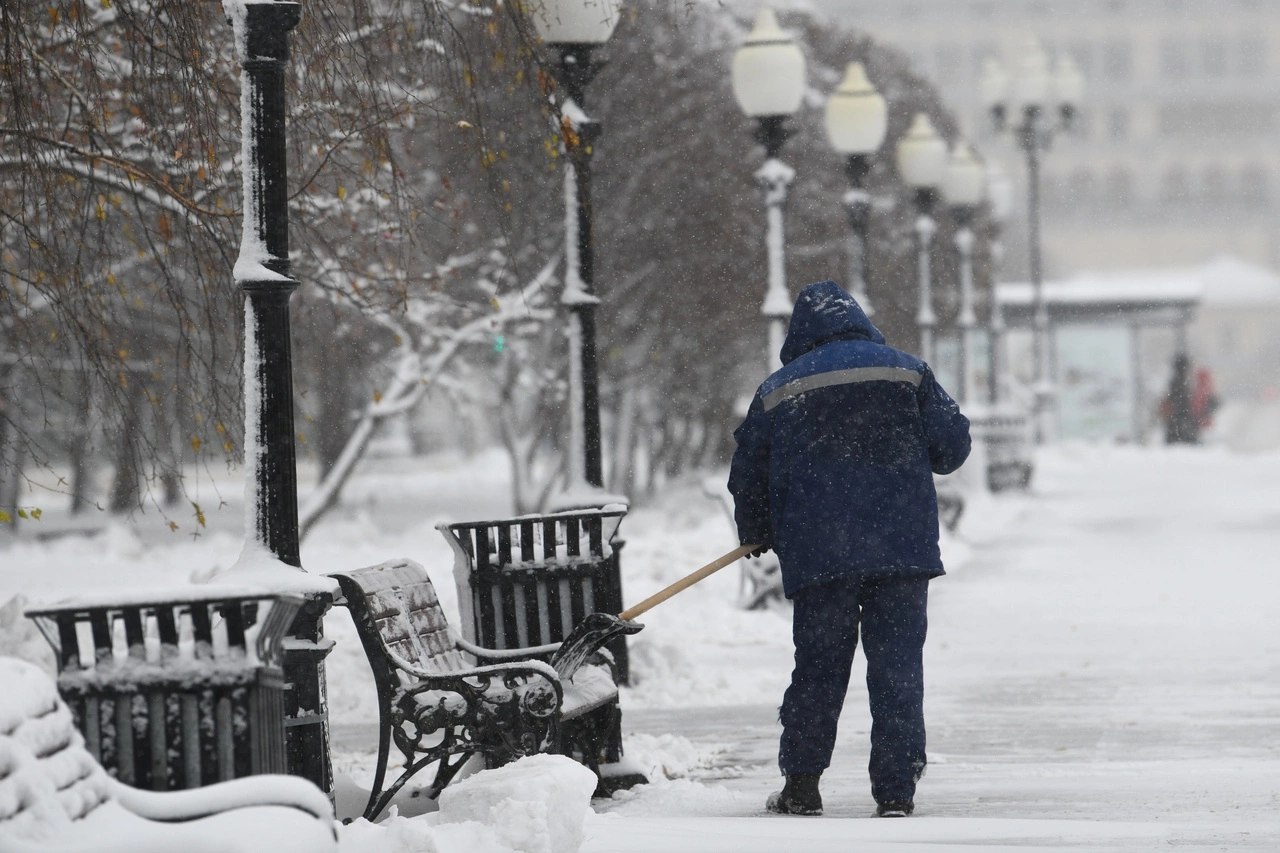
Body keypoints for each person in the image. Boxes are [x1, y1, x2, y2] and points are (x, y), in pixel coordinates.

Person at [728, 280, 970, 819]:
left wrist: (757, 530)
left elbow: (747, 470)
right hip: (900, 550)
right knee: (898, 669)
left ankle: (802, 785)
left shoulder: (778, 388)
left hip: (820, 555)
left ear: (800, 332)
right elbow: (951, 447)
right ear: (859, 320)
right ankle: (896, 791)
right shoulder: (908, 371)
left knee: (817, 668)